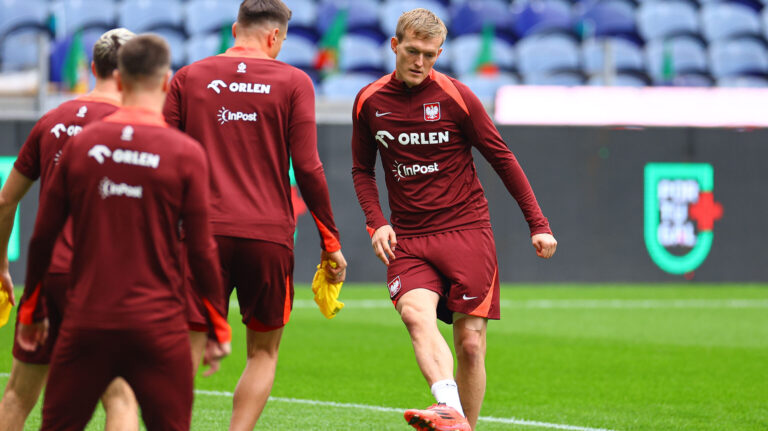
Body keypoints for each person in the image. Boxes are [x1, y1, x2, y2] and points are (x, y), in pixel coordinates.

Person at [351, 8, 558, 431]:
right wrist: (376, 221)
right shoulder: (370, 101)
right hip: (407, 237)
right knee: (415, 315)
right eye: (412, 51)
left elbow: (502, 159)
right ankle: (449, 407)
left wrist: (538, 223)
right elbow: (361, 169)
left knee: (470, 344)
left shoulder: (457, 97)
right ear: (395, 46)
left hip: (466, 232)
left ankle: (463, 424)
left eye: (430, 54)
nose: (419, 62)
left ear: (440, 52)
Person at [15, 34, 231, 430]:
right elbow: (201, 249)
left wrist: (32, 309)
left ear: (117, 77)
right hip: (159, 326)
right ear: (167, 81)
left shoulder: (82, 145)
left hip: (86, 323)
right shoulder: (185, 152)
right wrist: (217, 324)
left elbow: (42, 236)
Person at [163, 1, 346, 428]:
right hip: (268, 236)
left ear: (234, 29)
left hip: (199, 235)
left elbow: (164, 158)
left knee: (187, 347)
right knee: (263, 352)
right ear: (275, 37)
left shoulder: (188, 77)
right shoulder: (294, 81)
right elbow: (308, 168)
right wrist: (330, 240)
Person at [0, 28, 140, 431]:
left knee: (17, 395)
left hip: (47, 278)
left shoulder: (51, 120)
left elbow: (5, 201)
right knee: (120, 396)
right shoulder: (137, 125)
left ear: (93, 68)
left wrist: (2, 268)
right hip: (105, 279)